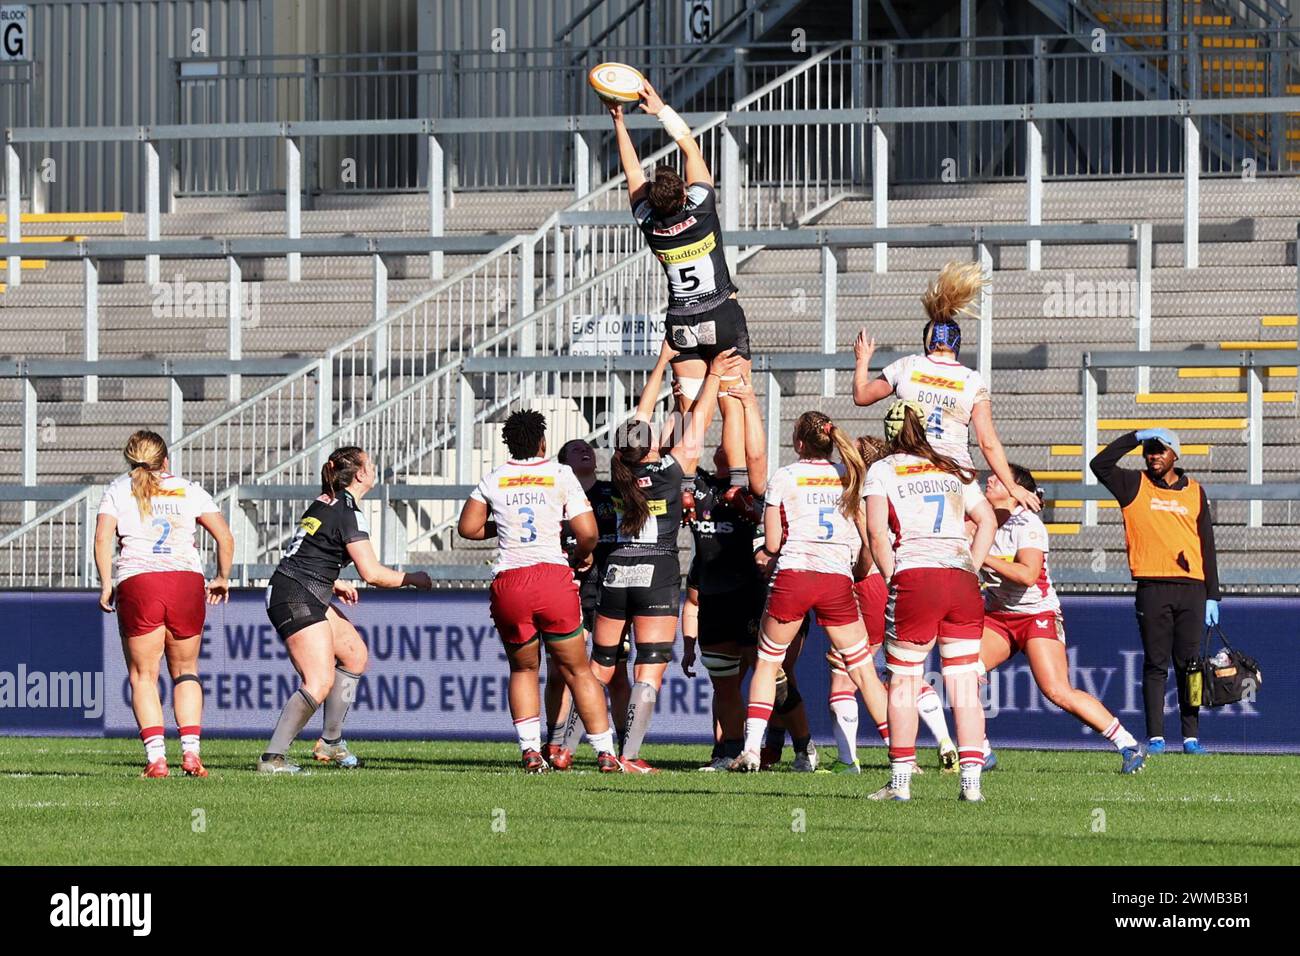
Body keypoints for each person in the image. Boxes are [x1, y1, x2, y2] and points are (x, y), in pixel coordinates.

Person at [593, 347, 745, 772]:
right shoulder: (673, 471)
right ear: (652, 446)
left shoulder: (618, 473)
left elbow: (643, 420)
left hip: (617, 569)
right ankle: (628, 755)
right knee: (650, 667)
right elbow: (698, 426)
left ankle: (564, 746)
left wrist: (661, 365)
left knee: (600, 666)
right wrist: (712, 377)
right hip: (656, 568)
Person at [458, 414, 622, 773]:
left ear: (509, 445)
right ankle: (606, 753)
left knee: (523, 668)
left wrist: (504, 524)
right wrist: (583, 554)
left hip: (511, 581)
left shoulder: (495, 478)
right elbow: (588, 532)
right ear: (542, 444)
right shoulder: (560, 474)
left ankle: (531, 751)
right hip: (551, 576)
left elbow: (467, 528)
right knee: (577, 669)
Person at [609, 79, 752, 489]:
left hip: (682, 321)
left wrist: (618, 121)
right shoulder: (701, 205)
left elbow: (632, 170)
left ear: (652, 201)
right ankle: (738, 484)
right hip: (720, 311)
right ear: (685, 193)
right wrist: (660, 109)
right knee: (733, 403)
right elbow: (690, 146)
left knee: (688, 409)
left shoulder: (648, 220)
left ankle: (685, 483)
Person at [258, 446, 432, 773]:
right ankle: (273, 757)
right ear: (361, 474)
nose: (375, 467)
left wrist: (333, 582)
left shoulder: (330, 501)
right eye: (372, 462)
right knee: (319, 681)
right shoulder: (347, 510)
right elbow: (372, 573)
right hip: (296, 594)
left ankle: (331, 741)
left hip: (304, 588)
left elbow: (309, 552)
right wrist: (413, 578)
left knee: (354, 653)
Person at [729, 411, 882, 773]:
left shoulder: (785, 476)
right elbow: (867, 539)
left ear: (798, 442)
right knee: (863, 670)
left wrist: (764, 553)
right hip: (836, 579)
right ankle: (900, 755)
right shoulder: (848, 476)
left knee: (768, 663)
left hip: (795, 575)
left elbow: (773, 542)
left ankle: (751, 750)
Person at [864, 400, 998, 802]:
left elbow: (875, 535)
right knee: (963, 686)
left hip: (916, 575)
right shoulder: (952, 466)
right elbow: (987, 520)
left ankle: (901, 784)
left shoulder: (882, 470)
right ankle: (972, 786)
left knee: (903, 681)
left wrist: (893, 576)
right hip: (960, 577)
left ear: (890, 434)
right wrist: (970, 567)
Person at [977, 465, 1145, 774]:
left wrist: (979, 555)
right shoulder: (980, 518)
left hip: (1036, 613)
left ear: (1017, 492)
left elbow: (1028, 575)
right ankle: (979, 751)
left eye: (1000, 478)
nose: (990, 479)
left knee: (1057, 691)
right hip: (999, 614)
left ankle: (1128, 743)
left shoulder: (1027, 524)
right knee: (966, 671)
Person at [94, 430, 234, 779]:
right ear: (165, 460)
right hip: (185, 580)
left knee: (144, 675)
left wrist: (106, 584)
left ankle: (157, 760)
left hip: (139, 582)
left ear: (131, 460)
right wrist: (222, 576)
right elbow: (225, 537)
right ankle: (191, 754)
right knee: (186, 670)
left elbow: (101, 538)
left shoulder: (117, 490)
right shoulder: (190, 489)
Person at [852, 260, 1040, 514]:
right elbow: (988, 443)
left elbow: (861, 396)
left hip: (909, 469)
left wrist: (862, 360)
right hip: (955, 472)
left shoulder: (908, 366)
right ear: (957, 345)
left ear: (928, 343)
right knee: (986, 524)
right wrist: (1012, 487)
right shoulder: (971, 380)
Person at [822, 435, 958, 775]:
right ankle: (944, 741)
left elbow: (869, 544)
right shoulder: (902, 488)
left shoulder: (863, 493)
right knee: (905, 673)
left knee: (845, 674)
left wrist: (855, 573)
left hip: (867, 583)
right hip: (901, 580)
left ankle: (849, 759)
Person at [1090, 427, 1221, 755]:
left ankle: (1191, 736)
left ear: (1175, 454)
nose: (1153, 456)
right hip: (1152, 588)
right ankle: (1157, 737)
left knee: (1190, 665)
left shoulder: (1195, 491)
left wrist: (1213, 595)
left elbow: (1206, 544)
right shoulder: (1134, 484)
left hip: (1192, 589)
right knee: (1155, 664)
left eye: (1160, 450)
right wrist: (1134, 436)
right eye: (1148, 450)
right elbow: (1099, 464)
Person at [682, 377, 771, 770]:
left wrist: (736, 397)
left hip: (749, 595)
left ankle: (798, 744)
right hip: (714, 599)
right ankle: (731, 751)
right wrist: (693, 393)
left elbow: (752, 454)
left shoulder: (749, 491)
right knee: (724, 684)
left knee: (772, 679)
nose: (722, 447)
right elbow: (684, 446)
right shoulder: (696, 487)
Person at [542, 438, 630, 770]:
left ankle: (625, 747)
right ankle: (554, 742)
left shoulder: (613, 493)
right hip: (570, 587)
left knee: (617, 672)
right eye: (577, 449)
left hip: (611, 587)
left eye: (589, 448)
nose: (587, 451)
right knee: (560, 673)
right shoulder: (556, 492)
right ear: (563, 462)